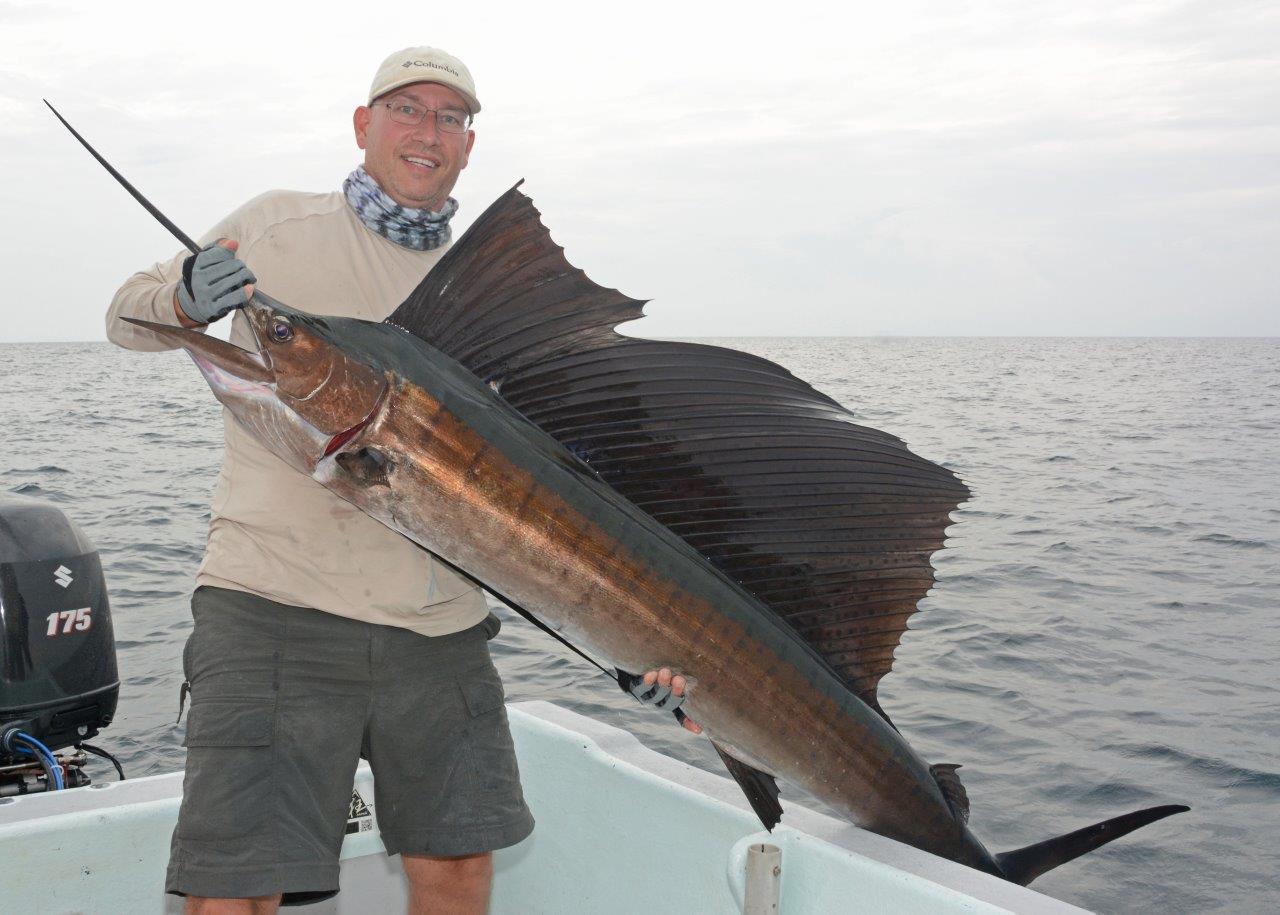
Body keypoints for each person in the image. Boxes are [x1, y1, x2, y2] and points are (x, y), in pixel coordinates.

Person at [106, 47, 693, 915]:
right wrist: (189, 299)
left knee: (457, 868)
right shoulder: (274, 225)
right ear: (363, 125)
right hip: (275, 608)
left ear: (468, 144)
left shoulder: (490, 291)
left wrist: (633, 644)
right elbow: (128, 316)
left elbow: (548, 503)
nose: (427, 131)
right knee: (235, 888)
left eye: (449, 118)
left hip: (440, 630)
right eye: (407, 110)